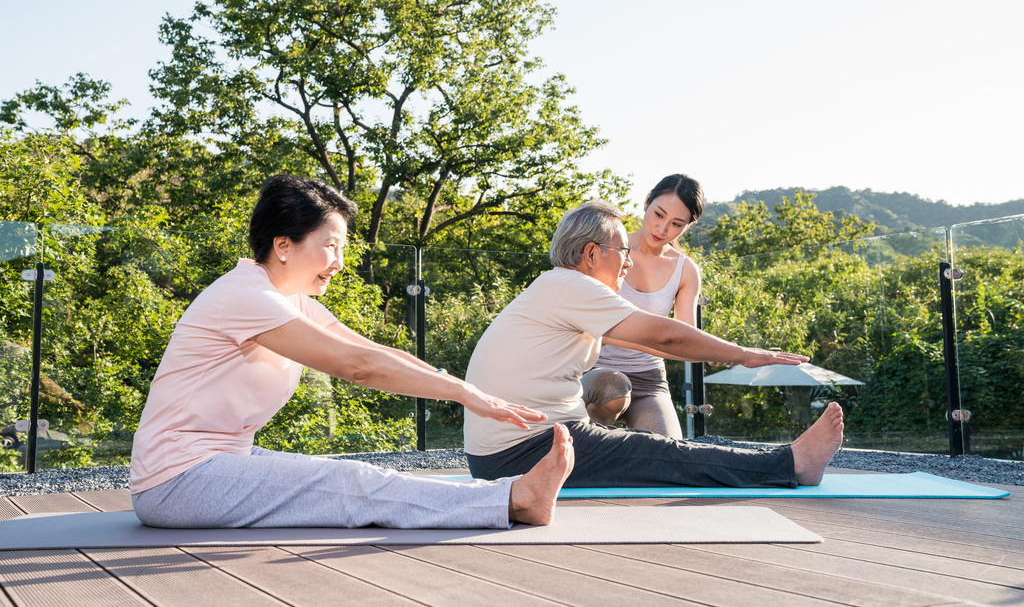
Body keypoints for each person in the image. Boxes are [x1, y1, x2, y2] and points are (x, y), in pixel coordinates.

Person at [130, 175, 573, 529]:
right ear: (283, 245)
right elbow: (357, 367)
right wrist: (465, 397)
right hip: (177, 477)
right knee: (350, 483)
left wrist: (467, 389)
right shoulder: (243, 296)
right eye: (330, 245)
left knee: (352, 476)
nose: (340, 261)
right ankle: (517, 499)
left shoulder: (291, 302)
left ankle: (513, 496)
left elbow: (373, 350)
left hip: (223, 459)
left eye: (342, 247)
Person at [464, 200, 844, 490]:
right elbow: (665, 334)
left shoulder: (559, 286)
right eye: (621, 251)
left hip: (506, 451)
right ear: (592, 253)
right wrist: (743, 354)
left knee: (650, 442)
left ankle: (606, 442)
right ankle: (793, 464)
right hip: (522, 454)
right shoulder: (575, 287)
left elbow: (666, 345)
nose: (628, 261)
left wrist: (719, 353)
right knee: (662, 455)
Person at [581, 173, 704, 437]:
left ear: (687, 226)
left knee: (669, 455)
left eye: (676, 223)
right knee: (613, 386)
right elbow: (590, 328)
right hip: (595, 371)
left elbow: (685, 340)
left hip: (649, 379)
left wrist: (717, 353)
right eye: (659, 214)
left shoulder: (686, 270)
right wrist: (658, 339)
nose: (662, 229)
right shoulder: (606, 247)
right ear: (647, 201)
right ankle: (593, 439)